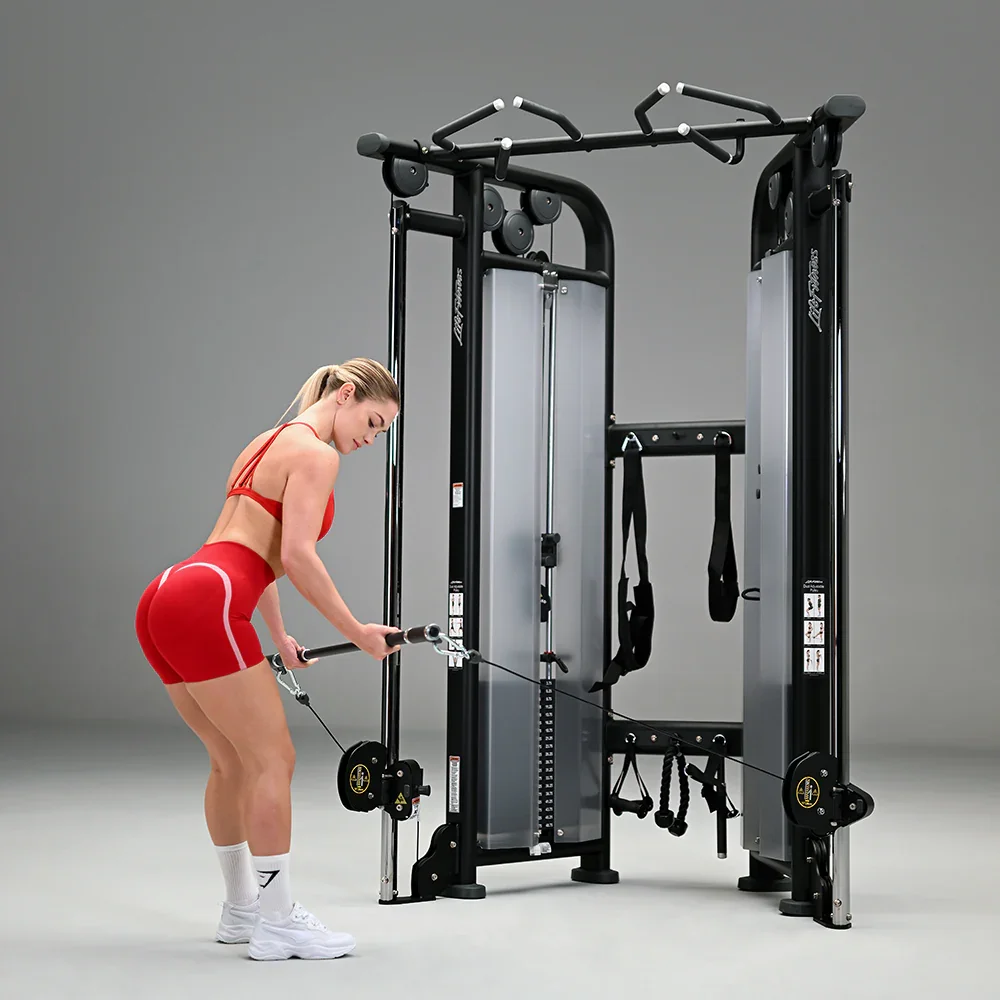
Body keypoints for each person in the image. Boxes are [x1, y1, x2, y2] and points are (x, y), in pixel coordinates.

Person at [134, 358, 402, 961]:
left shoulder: (265, 441)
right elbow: (298, 557)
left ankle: (241, 911)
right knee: (272, 759)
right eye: (373, 422)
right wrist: (358, 631)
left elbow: (254, 553)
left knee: (230, 762)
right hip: (212, 596)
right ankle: (278, 921)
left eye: (382, 432)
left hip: (170, 591)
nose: (372, 439)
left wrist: (279, 637)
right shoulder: (319, 455)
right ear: (347, 394)